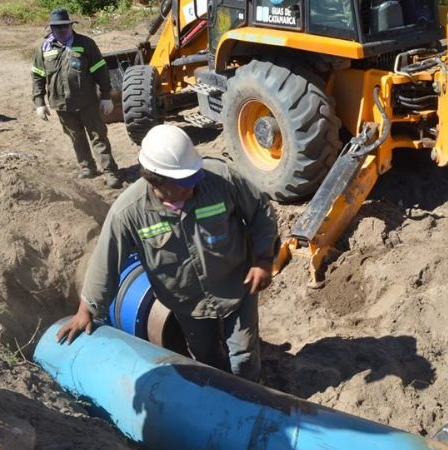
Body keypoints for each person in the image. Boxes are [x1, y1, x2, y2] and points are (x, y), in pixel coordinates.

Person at [56, 124, 278, 382]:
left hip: (237, 286)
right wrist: (87, 310)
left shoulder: (220, 179)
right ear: (154, 180)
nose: (194, 185)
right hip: (187, 304)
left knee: (244, 357)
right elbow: (107, 260)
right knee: (208, 359)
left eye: (195, 176)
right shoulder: (129, 212)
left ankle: (254, 394)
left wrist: (263, 259)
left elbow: (262, 211)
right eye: (185, 182)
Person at [31, 8, 122, 188]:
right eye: (57, 27)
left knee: (98, 136)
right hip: (62, 104)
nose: (62, 30)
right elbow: (38, 76)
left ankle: (110, 171)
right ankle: (87, 167)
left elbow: (101, 71)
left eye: (65, 25)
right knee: (76, 137)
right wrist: (39, 102)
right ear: (51, 28)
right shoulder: (44, 48)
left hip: (88, 102)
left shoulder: (86, 43)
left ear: (71, 25)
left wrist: (106, 96)